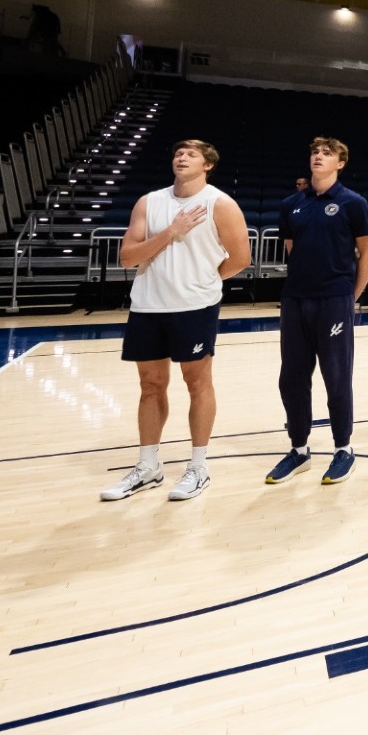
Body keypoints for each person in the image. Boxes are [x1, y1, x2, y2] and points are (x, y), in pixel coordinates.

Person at [100, 140, 251, 502]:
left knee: (197, 383)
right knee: (150, 386)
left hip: (194, 307)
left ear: (208, 165)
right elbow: (126, 258)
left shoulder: (220, 204)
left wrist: (205, 281)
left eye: (191, 154)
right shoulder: (149, 202)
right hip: (148, 305)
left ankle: (199, 466)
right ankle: (148, 465)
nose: (181, 157)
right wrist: (170, 232)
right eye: (177, 153)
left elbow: (241, 258)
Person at [264, 138, 368, 485]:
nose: (318, 156)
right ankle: (299, 450)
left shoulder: (353, 203)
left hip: (334, 300)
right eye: (315, 152)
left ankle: (343, 448)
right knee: (292, 377)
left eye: (327, 153)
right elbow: (291, 250)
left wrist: (348, 297)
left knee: (336, 376)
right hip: (296, 299)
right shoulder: (291, 204)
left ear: (340, 163)